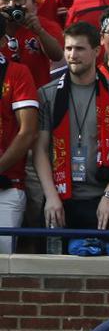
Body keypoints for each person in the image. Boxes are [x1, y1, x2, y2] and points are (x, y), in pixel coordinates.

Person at [34, 22, 109, 251]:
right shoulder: (47, 94)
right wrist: (51, 196)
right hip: (60, 197)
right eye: (68, 48)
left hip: (103, 198)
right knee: (53, 266)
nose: (72, 55)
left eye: (79, 48)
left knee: (107, 265)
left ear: (96, 51)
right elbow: (40, 150)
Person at [0, 36, 39, 255]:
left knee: (3, 265)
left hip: (6, 187)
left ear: (2, 42)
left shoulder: (16, 72)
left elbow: (28, 132)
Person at [0, 0, 64, 88]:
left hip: (38, 93)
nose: (11, 4)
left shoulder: (43, 25)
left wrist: (40, 32)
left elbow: (57, 56)